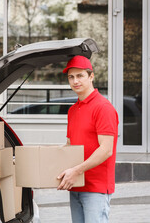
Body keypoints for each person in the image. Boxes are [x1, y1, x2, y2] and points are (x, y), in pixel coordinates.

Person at [57, 55, 119, 223]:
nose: (75, 81)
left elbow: (106, 150)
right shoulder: (73, 110)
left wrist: (76, 171)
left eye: (80, 76)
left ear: (91, 76)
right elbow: (70, 146)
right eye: (71, 77)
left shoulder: (103, 108)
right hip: (76, 185)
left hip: (96, 188)